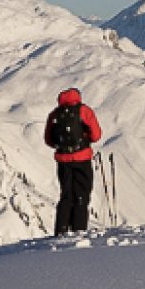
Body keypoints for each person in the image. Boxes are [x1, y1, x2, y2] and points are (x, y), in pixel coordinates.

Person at [43, 87, 103, 235]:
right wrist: (84, 138)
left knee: (66, 195)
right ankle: (79, 230)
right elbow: (96, 135)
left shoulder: (54, 114)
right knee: (81, 195)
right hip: (82, 158)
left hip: (63, 161)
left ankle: (61, 230)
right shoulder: (84, 111)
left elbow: (48, 140)